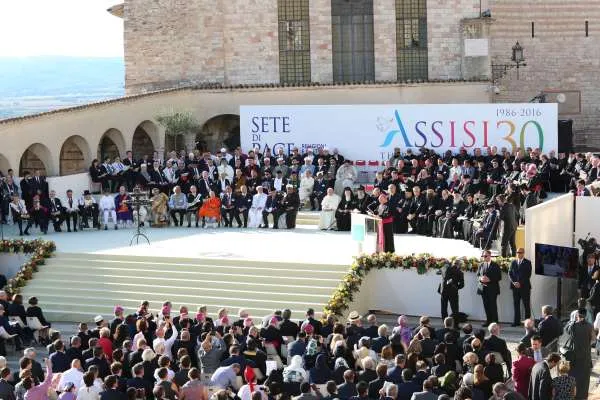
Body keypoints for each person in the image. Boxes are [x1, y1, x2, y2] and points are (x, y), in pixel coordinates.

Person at [565, 308, 593, 399]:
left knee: (573, 378)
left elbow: (566, 329)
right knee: (584, 380)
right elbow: (593, 340)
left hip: (574, 357)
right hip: (585, 357)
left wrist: (573, 320)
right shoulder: (589, 326)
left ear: (577, 315)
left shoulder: (573, 326)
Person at [476, 250, 502, 325]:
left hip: (492, 289)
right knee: (486, 305)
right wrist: (481, 279)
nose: (484, 257)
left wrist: (490, 279)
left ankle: (495, 322)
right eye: (483, 256)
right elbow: (477, 275)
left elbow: (499, 277)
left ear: (490, 256)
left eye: (486, 256)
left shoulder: (495, 265)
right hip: (483, 289)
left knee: (493, 305)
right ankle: (488, 321)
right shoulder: (481, 265)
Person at [508, 248, 532, 327]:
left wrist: (520, 283)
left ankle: (527, 323)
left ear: (523, 253)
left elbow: (528, 274)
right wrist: (514, 282)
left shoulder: (527, 262)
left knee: (526, 305)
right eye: (517, 252)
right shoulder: (513, 262)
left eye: (520, 252)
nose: (518, 254)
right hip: (515, 287)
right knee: (516, 304)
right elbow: (510, 273)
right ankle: (516, 321)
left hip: (524, 287)